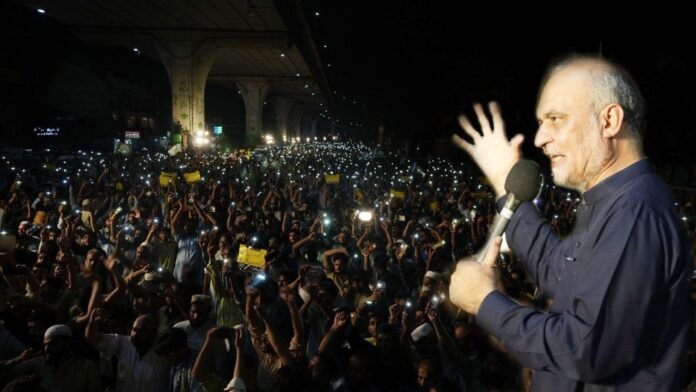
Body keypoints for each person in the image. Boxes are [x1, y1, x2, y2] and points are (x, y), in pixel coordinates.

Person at [449, 54, 693, 391]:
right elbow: (560, 274)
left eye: (555, 118)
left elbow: (586, 350)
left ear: (609, 121)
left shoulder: (635, 212)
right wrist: (506, 183)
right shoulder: (612, 202)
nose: (539, 138)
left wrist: (485, 302)